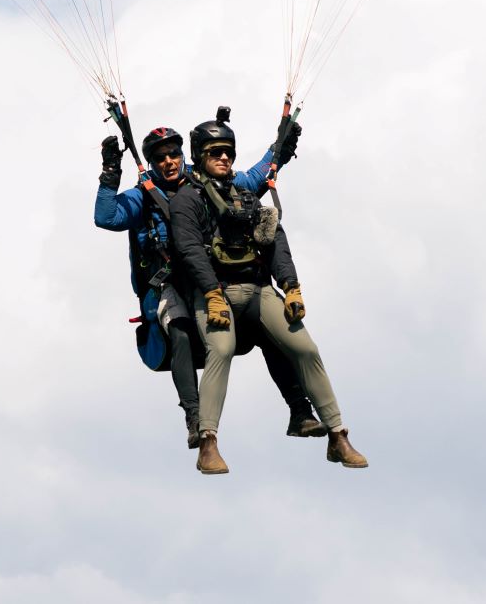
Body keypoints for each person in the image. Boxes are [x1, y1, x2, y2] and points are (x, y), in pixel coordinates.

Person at [95, 120, 323, 450]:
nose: (169, 162)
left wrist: (280, 148)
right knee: (180, 330)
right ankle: (195, 419)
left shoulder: (204, 180)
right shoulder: (143, 196)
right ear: (152, 163)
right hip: (170, 284)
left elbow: (254, 179)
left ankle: (300, 411)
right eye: (160, 158)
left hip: (214, 279)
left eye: (174, 154)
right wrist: (110, 173)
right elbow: (106, 217)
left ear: (183, 155)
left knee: (267, 328)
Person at [169, 115, 368, 475]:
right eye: (215, 152)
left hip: (258, 289)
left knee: (305, 348)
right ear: (199, 156)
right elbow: (189, 250)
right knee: (221, 349)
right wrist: (211, 293)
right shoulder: (187, 200)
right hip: (214, 293)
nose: (224, 158)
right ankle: (208, 443)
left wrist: (291, 287)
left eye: (228, 152)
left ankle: (337, 435)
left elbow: (275, 239)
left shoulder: (244, 194)